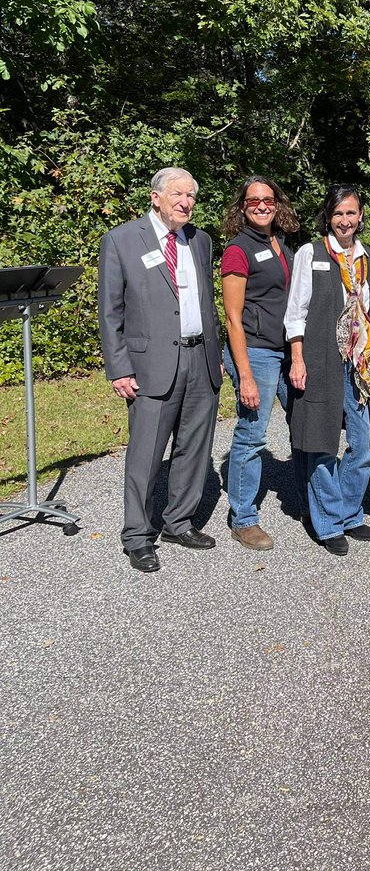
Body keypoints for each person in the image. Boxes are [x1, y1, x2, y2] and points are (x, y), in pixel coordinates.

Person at [98, 167, 222, 573]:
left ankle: (178, 522)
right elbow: (110, 311)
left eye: (191, 196)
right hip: (150, 364)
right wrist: (119, 368)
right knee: (146, 455)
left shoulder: (200, 240)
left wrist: (216, 353)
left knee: (194, 448)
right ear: (155, 197)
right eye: (177, 195)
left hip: (200, 359)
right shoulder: (121, 239)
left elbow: (205, 302)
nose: (186, 202)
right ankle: (137, 536)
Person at [284, 184, 370, 556]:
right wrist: (297, 359)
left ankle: (348, 512)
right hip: (320, 360)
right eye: (338, 213)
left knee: (364, 444)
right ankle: (328, 522)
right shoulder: (311, 253)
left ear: (360, 216)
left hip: (360, 364)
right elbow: (296, 312)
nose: (344, 220)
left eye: (351, 213)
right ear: (328, 216)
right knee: (321, 444)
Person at [221, 176, 299, 551]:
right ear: (243, 207)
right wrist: (246, 375)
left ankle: (312, 503)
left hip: (287, 351)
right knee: (252, 436)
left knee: (304, 425)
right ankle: (244, 519)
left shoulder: (280, 243)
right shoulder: (238, 250)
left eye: (268, 199)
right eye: (254, 201)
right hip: (256, 352)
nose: (262, 206)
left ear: (277, 204)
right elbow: (233, 318)